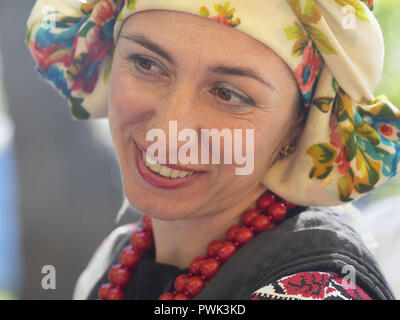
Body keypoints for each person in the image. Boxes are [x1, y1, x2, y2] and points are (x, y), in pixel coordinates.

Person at [26, 0, 398, 300]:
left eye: (229, 94)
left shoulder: (314, 291)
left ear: (300, 123)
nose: (169, 130)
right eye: (147, 64)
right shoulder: (116, 256)